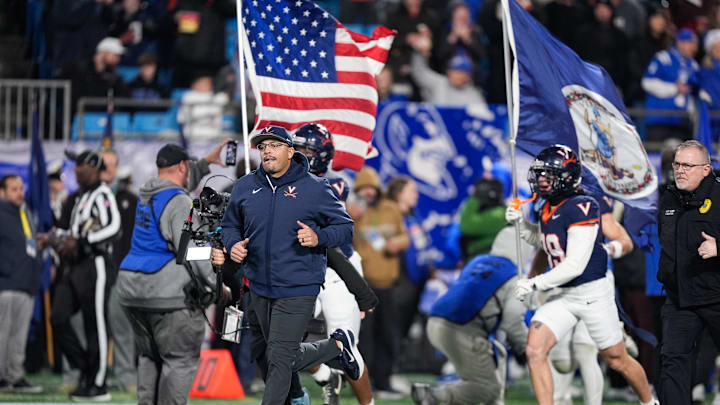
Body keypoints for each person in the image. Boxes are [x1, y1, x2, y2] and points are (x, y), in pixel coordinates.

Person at [505, 144, 657, 405]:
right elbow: (546, 243)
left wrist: (534, 284)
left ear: (566, 177)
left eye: (548, 175)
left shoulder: (583, 205)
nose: (540, 180)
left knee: (616, 359)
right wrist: (521, 225)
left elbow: (574, 265)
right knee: (535, 350)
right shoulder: (546, 206)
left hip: (592, 294)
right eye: (539, 174)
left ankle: (649, 402)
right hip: (564, 295)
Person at [221, 125, 362, 405]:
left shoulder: (315, 187)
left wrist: (318, 236)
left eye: (274, 146)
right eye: (262, 147)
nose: (267, 151)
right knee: (271, 354)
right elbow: (229, 225)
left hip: (298, 284)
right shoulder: (246, 186)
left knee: (281, 360)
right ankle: (335, 347)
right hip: (258, 284)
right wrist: (232, 244)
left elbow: (346, 228)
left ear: (290, 151)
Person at [115, 141, 229, 405]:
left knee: (149, 357)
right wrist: (215, 286)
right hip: (166, 292)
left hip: (133, 290)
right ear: (181, 166)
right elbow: (193, 251)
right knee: (179, 360)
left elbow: (178, 188)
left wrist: (203, 164)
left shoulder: (147, 194)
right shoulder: (179, 202)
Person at [293, 122, 377, 405]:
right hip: (302, 268)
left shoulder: (333, 184)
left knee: (346, 348)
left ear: (321, 154)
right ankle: (326, 376)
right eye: (297, 148)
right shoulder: (283, 183)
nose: (298, 154)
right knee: (283, 341)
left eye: (305, 149)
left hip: (337, 270)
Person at [411, 225, 533, 405]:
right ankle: (433, 396)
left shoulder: (478, 261)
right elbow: (512, 321)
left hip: (435, 320)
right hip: (463, 328)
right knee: (487, 389)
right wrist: (526, 348)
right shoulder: (516, 277)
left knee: (495, 355)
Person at [50, 150, 121, 401]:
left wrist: (82, 241)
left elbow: (114, 227)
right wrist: (52, 239)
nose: (77, 169)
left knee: (96, 325)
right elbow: (70, 232)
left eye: (82, 166)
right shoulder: (80, 197)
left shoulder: (102, 195)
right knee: (57, 317)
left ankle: (98, 384)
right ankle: (85, 369)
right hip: (75, 266)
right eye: (76, 165)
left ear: (94, 169)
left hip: (96, 264)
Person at [657, 140, 720, 404]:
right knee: (672, 361)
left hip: (717, 295)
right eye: (677, 164)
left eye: (687, 165)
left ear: (706, 169)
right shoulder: (669, 197)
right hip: (680, 298)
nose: (680, 170)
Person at [349, 165, 410, 399]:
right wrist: (350, 219)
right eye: (363, 189)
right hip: (364, 285)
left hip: (388, 284)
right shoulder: (353, 213)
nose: (368, 193)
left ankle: (383, 381)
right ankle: (364, 382)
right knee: (364, 337)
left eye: (371, 188)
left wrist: (398, 242)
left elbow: (405, 236)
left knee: (388, 335)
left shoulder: (391, 209)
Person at [0, 175, 44, 393]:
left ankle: (14, 376)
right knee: (2, 334)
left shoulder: (23, 212)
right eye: (13, 189)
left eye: (21, 188)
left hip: (26, 284)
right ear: (2, 192)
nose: (19, 192)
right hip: (6, 285)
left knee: (18, 335)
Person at [642, 28, 699, 143]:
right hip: (659, 119)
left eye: (695, 44)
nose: (694, 47)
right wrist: (675, 88)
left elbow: (692, 93)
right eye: (691, 43)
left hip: (682, 120)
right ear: (680, 43)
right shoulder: (663, 58)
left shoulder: (693, 65)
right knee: (657, 156)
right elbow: (647, 82)